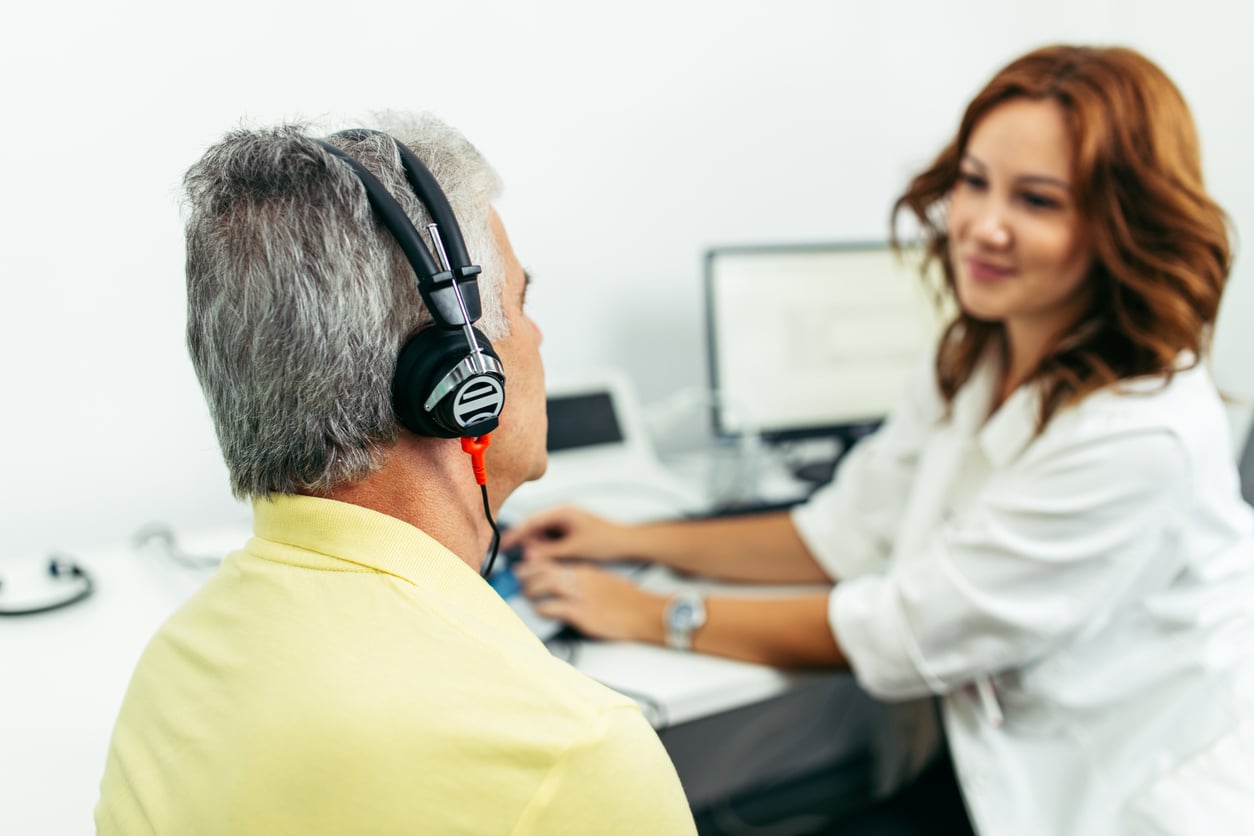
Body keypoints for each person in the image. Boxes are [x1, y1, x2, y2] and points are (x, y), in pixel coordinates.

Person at [505, 45, 1254, 835]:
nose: (982, 226)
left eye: (1037, 201)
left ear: (1119, 224)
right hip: (986, 758)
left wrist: (651, 612)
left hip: (1110, 795)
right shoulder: (978, 354)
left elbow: (904, 629)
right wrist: (631, 536)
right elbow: (847, 530)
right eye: (973, 181)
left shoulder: (1143, 434)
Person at [95, 115, 696, 835]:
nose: (535, 337)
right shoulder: (573, 749)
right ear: (457, 376)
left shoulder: (169, 671)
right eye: (522, 305)